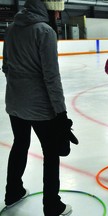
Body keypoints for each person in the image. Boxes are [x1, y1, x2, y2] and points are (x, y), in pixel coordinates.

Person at [1, 0, 78, 215]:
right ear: (51, 9)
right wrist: (61, 113)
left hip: (15, 103)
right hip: (41, 108)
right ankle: (52, 205)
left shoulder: (13, 28)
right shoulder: (45, 31)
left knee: (20, 144)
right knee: (51, 154)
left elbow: (6, 66)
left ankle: (13, 191)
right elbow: (51, 77)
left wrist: (20, 88)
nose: (58, 17)